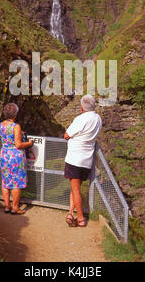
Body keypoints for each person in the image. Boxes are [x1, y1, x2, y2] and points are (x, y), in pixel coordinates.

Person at [64, 95, 102, 227]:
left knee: (75, 189)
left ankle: (80, 219)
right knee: (76, 187)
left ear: (81, 107)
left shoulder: (80, 119)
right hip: (87, 160)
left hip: (74, 158)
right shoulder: (98, 119)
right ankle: (70, 212)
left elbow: (66, 135)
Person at [0, 103, 33, 214]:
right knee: (16, 182)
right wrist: (29, 143)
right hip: (15, 157)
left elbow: (8, 138)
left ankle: (6, 207)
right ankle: (15, 208)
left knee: (5, 181)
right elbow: (18, 145)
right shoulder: (16, 126)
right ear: (15, 114)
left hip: (4, 155)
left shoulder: (2, 124)